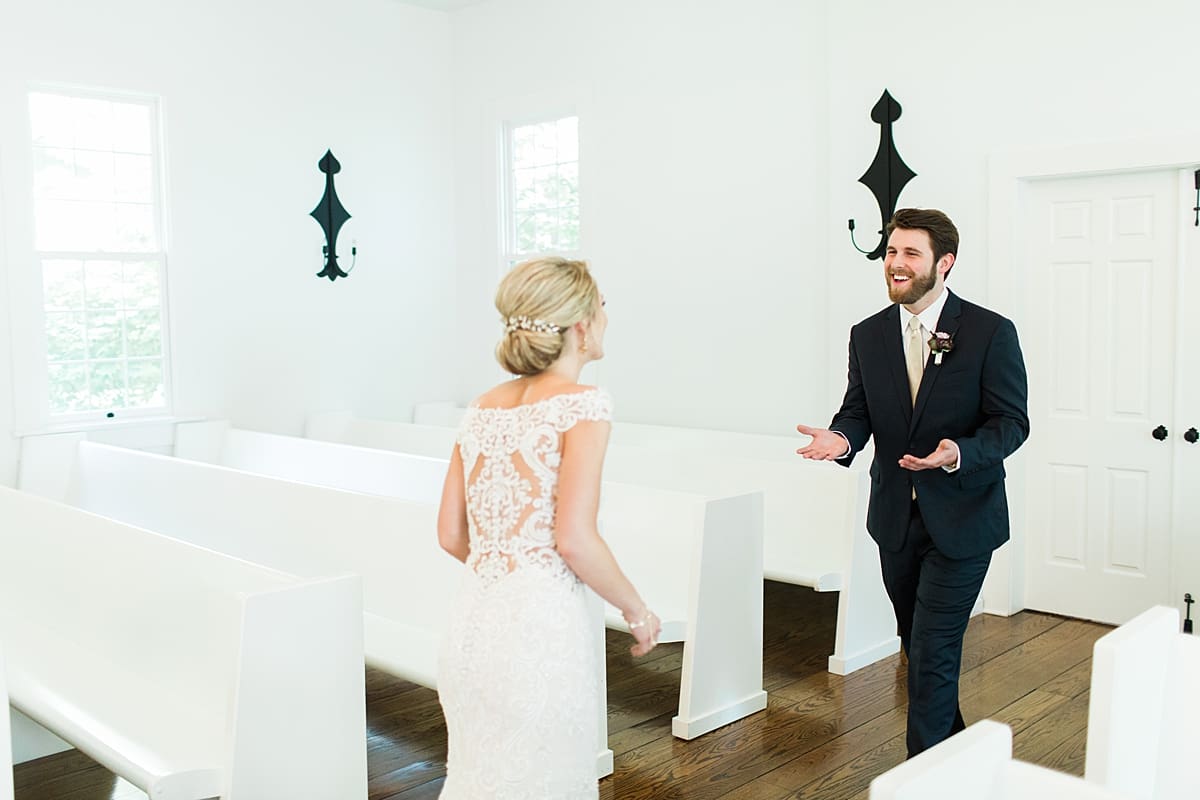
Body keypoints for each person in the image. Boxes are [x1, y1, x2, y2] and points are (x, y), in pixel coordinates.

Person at [796, 208, 1029, 758]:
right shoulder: (868, 334)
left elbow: (1011, 423)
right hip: (896, 520)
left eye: (910, 253)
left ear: (944, 263)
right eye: (891, 252)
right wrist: (842, 439)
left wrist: (958, 453)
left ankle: (921, 778)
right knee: (917, 646)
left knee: (932, 650)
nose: (895, 263)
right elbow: (858, 411)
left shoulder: (990, 332)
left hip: (964, 520)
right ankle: (961, 759)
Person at [435, 256, 661, 799]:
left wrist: (505, 570)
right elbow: (575, 540)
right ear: (581, 325)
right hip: (539, 631)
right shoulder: (583, 405)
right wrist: (637, 611)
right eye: (602, 305)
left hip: (472, 625)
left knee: (481, 778)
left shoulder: (482, 407)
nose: (607, 316)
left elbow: (450, 535)